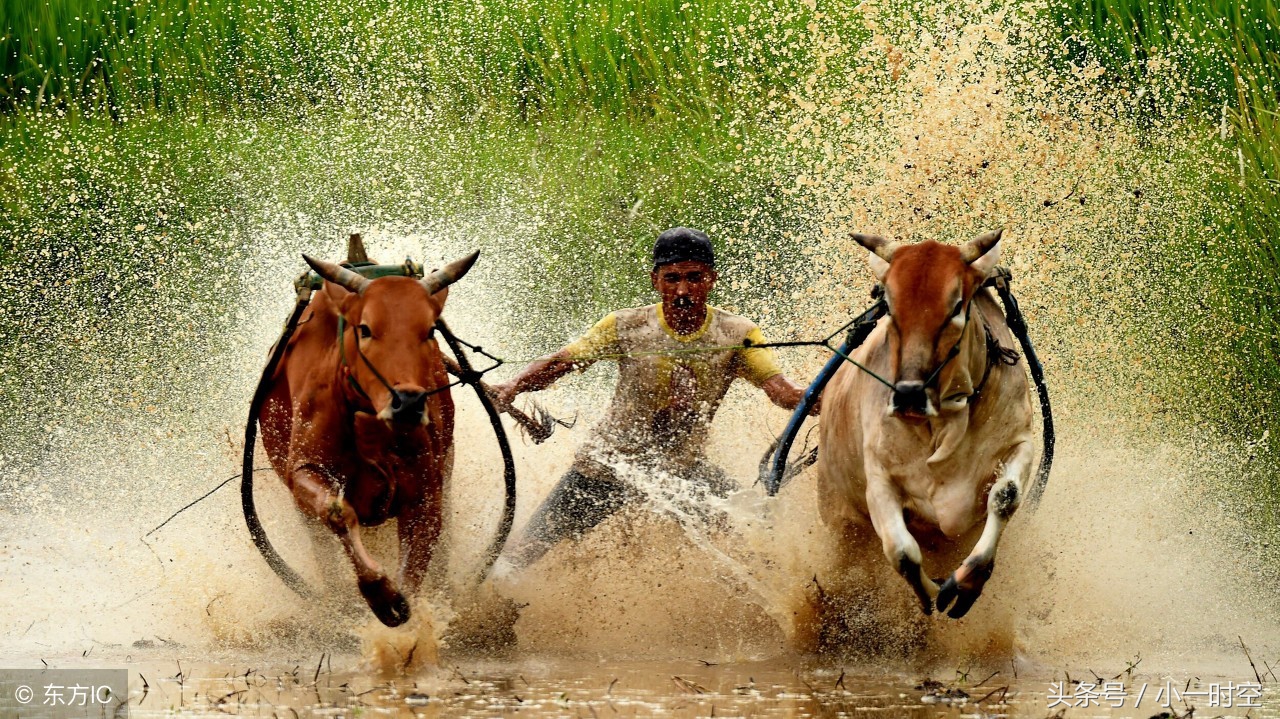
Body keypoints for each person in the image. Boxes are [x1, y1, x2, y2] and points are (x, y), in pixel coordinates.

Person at [488, 227, 817, 575]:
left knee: (760, 537)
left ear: (711, 280)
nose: (682, 290)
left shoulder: (738, 334)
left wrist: (821, 401)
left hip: (683, 471)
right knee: (521, 555)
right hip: (608, 466)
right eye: (671, 278)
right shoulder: (625, 326)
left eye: (694, 278)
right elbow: (563, 361)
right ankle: (488, 605)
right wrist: (513, 385)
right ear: (655, 281)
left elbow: (780, 389)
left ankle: (801, 605)